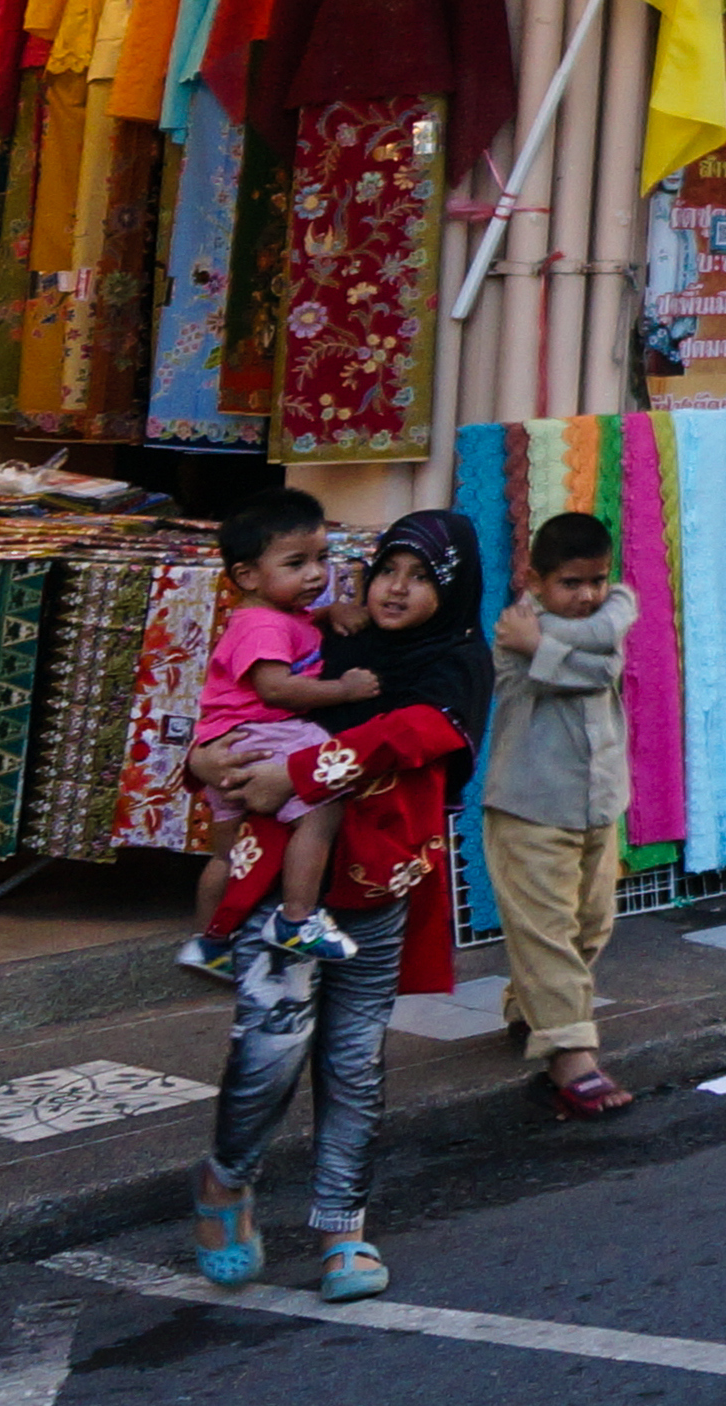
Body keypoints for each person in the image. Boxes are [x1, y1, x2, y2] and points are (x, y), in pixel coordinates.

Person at [181, 509, 487, 1307]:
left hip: (379, 888)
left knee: (353, 1062)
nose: (396, 587)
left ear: (449, 591)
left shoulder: (458, 664)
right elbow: (241, 707)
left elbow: (413, 732)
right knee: (270, 1053)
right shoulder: (330, 639)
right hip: (283, 887)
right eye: (388, 568)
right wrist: (200, 758)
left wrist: (305, 773)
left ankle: (342, 1230)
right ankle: (225, 1184)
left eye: (420, 577)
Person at [481, 510, 636, 1117]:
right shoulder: (516, 628)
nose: (589, 595)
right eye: (571, 584)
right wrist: (540, 645)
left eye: (596, 581)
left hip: (597, 801)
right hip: (531, 805)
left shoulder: (596, 616)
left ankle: (531, 1010)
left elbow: (618, 619)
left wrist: (549, 644)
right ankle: (570, 1052)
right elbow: (598, 671)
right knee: (547, 931)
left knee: (591, 923)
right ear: (535, 580)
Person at [191, 494, 378, 960]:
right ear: (247, 576)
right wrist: (344, 691)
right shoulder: (264, 628)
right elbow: (275, 688)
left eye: (321, 558)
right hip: (267, 732)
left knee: (226, 854)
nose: (316, 574)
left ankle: (209, 943)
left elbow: (298, 628)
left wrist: (328, 612)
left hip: (226, 739)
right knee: (325, 798)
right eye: (296, 563)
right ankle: (298, 918)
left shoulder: (270, 617)